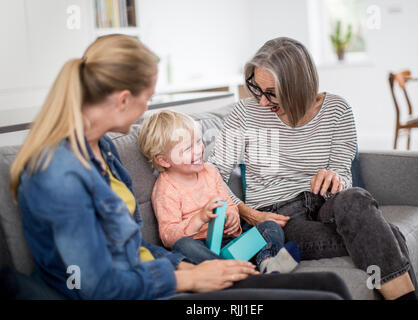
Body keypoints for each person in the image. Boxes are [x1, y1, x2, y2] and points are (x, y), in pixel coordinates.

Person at [8, 34, 351, 300]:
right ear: (124, 98)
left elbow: (134, 248)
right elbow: (98, 284)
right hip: (142, 289)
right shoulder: (57, 174)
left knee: (333, 283)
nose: (147, 108)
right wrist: (188, 276)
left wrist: (185, 265)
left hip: (156, 271)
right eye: (149, 97)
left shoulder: (104, 150)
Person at [208, 37, 418, 300]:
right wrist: (247, 213)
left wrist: (335, 178)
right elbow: (212, 173)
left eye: (272, 93)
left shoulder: (337, 110)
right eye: (257, 89)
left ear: (298, 86)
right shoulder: (243, 114)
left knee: (354, 198)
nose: (263, 102)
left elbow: (342, 172)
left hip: (325, 204)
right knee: (389, 234)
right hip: (279, 218)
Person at [138, 110, 301, 274]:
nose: (198, 150)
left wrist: (232, 217)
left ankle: (267, 262)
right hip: (200, 249)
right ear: (164, 160)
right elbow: (167, 236)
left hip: (232, 243)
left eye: (198, 141)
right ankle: (228, 270)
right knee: (182, 245)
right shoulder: (166, 189)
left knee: (270, 227)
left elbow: (229, 204)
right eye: (187, 148)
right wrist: (199, 219)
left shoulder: (210, 171)